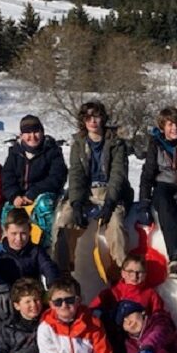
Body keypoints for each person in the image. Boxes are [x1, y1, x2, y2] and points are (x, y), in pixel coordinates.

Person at [51, 102, 132, 273]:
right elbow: (76, 175)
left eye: (96, 116)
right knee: (64, 221)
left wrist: (110, 202)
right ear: (83, 121)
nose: (93, 121)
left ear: (103, 118)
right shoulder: (78, 143)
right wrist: (77, 203)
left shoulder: (116, 143)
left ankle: (120, 272)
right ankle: (63, 270)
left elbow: (118, 175)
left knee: (116, 225)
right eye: (88, 117)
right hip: (86, 194)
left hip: (110, 193)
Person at [136, 106, 177, 280]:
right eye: (170, 124)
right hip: (163, 184)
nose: (175, 128)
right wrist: (144, 199)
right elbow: (148, 172)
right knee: (165, 206)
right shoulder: (156, 144)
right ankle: (176, 256)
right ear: (163, 126)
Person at [0, 114, 67, 249]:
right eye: (28, 133)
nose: (33, 136)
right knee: (7, 213)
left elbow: (57, 177)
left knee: (44, 207)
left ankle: (48, 247)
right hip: (20, 196)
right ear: (21, 135)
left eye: (36, 132)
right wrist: (14, 195)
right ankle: (10, 248)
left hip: (43, 194)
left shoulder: (52, 151)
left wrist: (34, 193)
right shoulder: (15, 153)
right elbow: (7, 176)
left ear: (42, 132)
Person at [0, 208, 59, 288]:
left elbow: (48, 267)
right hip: (6, 296)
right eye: (14, 233)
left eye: (23, 233)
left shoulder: (36, 251)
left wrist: (53, 285)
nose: (19, 239)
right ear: (6, 232)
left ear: (29, 231)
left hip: (32, 295)